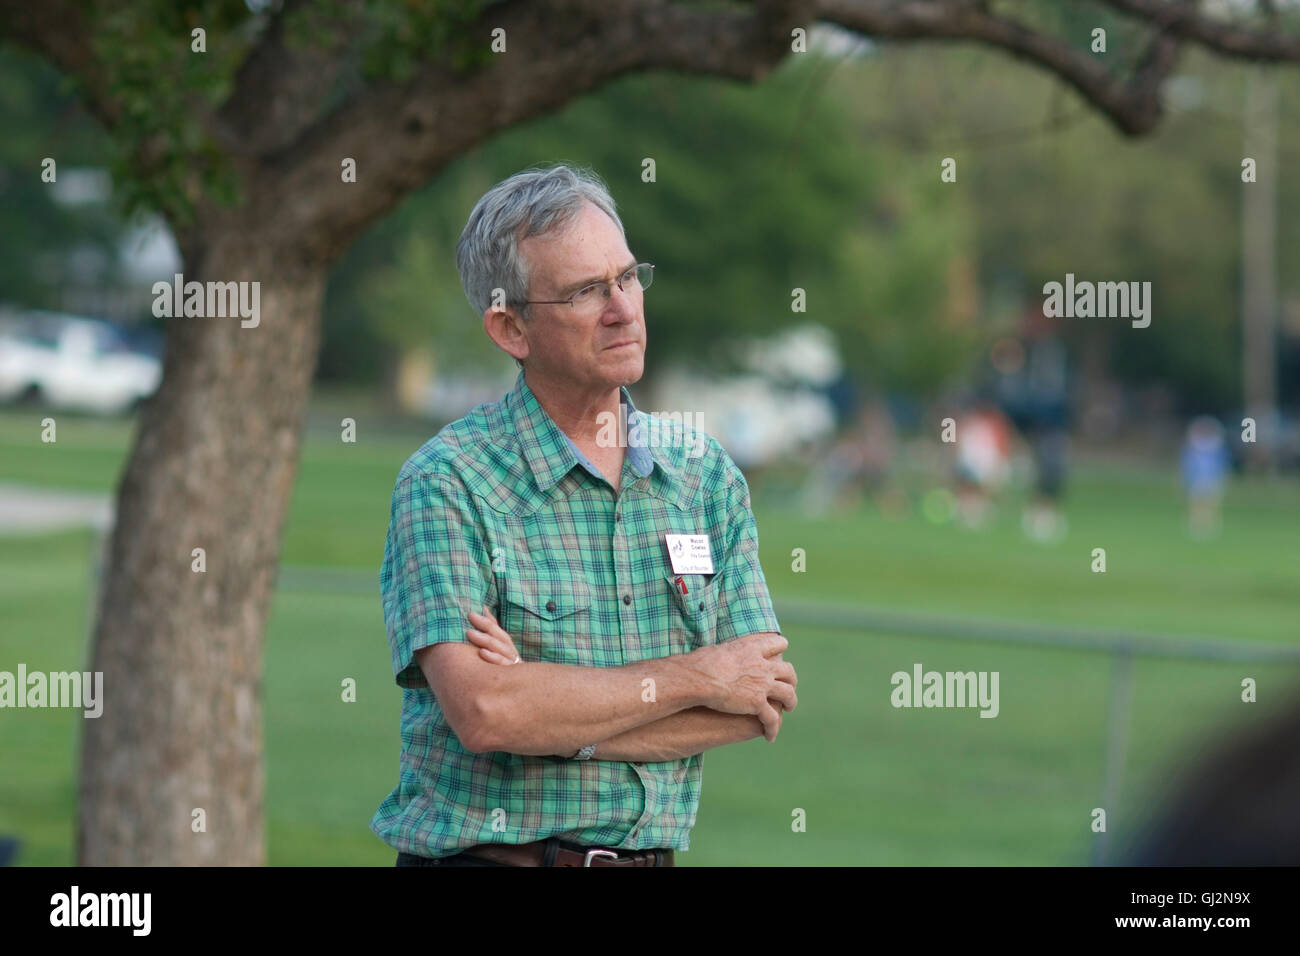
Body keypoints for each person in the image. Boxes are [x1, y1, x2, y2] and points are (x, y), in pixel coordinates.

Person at [372, 164, 798, 868]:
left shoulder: (703, 475)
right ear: (511, 329)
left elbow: (758, 700)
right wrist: (697, 676)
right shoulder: (447, 483)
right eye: (584, 291)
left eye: (628, 277)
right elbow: (484, 714)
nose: (623, 308)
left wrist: (546, 710)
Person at [1181, 416, 1230, 539]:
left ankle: (1211, 523)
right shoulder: (1193, 449)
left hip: (1211, 478)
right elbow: (1188, 464)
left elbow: (1222, 464)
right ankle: (1196, 524)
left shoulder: (1216, 448)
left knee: (1211, 502)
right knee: (1196, 502)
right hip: (1197, 478)